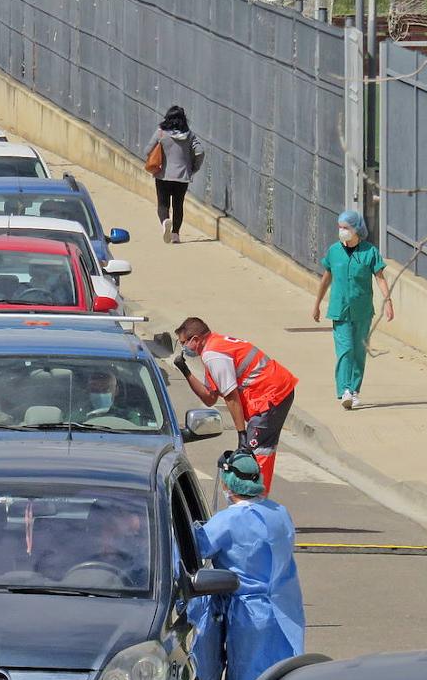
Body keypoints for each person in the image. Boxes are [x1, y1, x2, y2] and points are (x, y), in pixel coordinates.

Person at [195, 451, 305, 680]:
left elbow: (199, 547)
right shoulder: (279, 512)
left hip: (249, 617)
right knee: (282, 679)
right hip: (285, 609)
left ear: (227, 483)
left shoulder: (229, 520)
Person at [173, 317, 297, 494]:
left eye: (184, 343)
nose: (183, 348)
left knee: (253, 455)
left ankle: (254, 503)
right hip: (273, 393)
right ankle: (256, 501)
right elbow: (210, 398)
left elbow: (231, 397)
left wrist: (241, 433)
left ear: (195, 339)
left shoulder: (213, 354)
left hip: (270, 395)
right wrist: (186, 372)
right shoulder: (213, 347)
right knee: (259, 452)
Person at [312, 209, 394, 409]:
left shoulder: (370, 252)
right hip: (340, 310)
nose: (342, 231)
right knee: (345, 350)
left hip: (362, 310)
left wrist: (388, 301)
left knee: (358, 352)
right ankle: (345, 390)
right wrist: (317, 304)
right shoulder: (334, 251)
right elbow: (326, 279)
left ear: (356, 229)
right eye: (340, 227)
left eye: (346, 228)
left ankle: (354, 390)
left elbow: (380, 278)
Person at [144, 105, 204, 244]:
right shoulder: (189, 135)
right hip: (182, 177)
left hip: (163, 175)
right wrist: (194, 167)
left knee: (163, 204)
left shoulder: (160, 133)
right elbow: (200, 151)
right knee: (178, 205)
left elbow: (148, 150)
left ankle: (165, 221)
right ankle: (176, 234)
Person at [72, 368, 147, 426]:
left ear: (116, 391)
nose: (101, 395)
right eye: (95, 390)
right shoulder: (76, 417)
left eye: (106, 390)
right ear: (88, 392)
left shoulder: (128, 417)